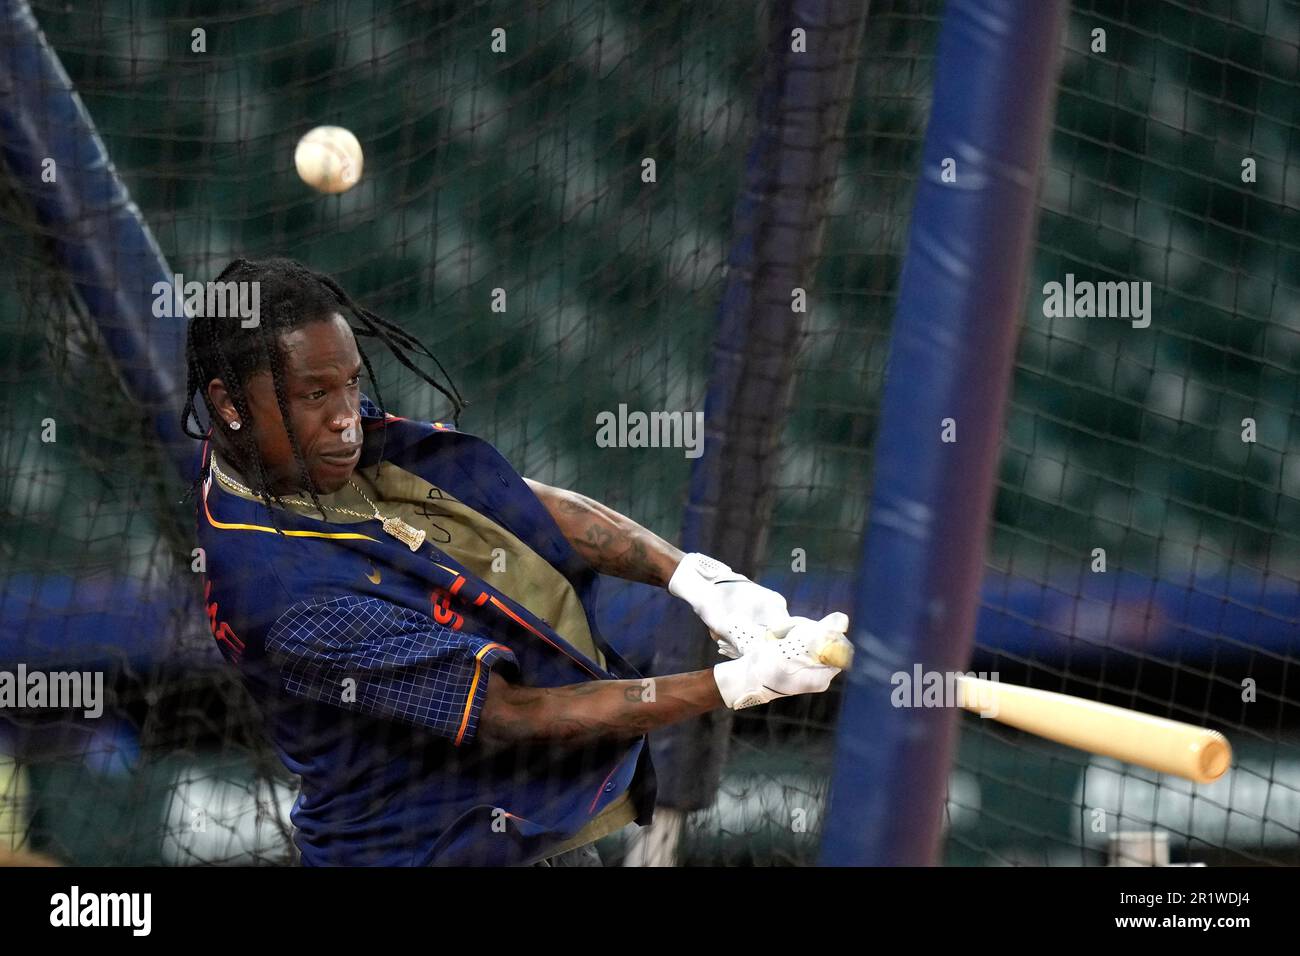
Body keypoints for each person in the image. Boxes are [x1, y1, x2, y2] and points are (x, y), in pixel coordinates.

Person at [182, 256, 848, 866]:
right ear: (227, 404)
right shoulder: (283, 595)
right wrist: (734, 684)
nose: (347, 418)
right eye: (314, 396)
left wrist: (701, 583)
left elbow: (507, 505)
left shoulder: (286, 443)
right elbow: (516, 714)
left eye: (351, 385)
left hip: (512, 824)